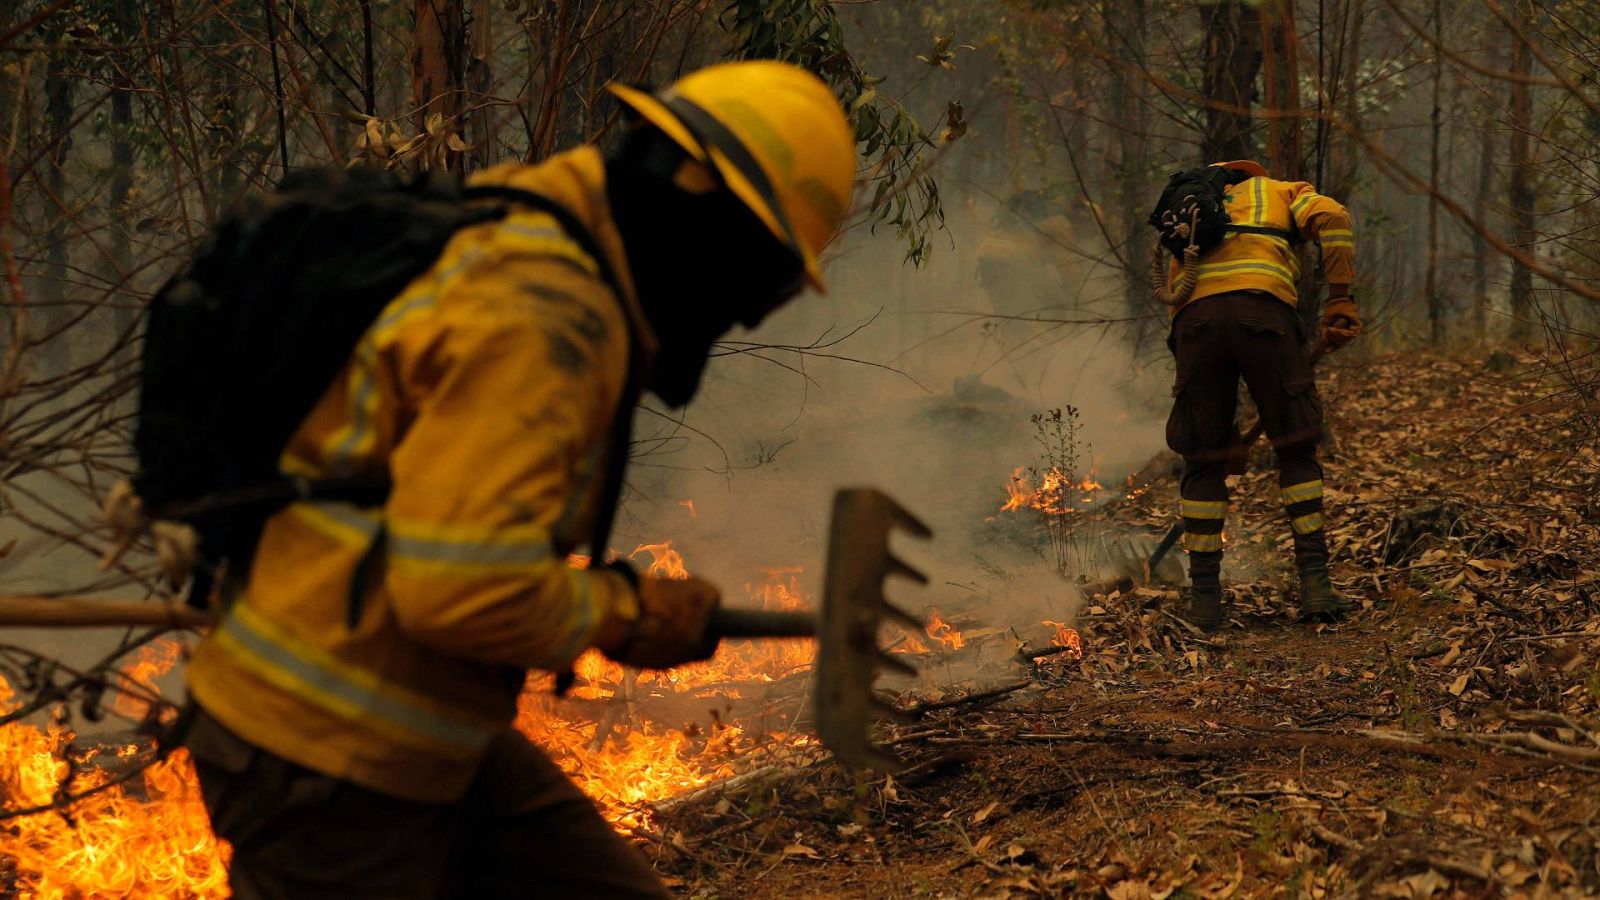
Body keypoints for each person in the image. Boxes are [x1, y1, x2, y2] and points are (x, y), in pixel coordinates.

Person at [179, 60, 856, 899]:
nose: (750, 310)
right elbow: (455, 591)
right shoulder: (543, 315)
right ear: (710, 220)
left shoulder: (542, 229)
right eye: (767, 278)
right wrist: (624, 612)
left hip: (424, 727)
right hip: (326, 755)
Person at [1157, 159, 1361, 631]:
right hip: (1264, 316)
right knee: (1295, 446)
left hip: (1196, 326)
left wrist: (1219, 436)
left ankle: (1205, 601)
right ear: (1252, 174)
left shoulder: (1186, 210)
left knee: (1203, 460)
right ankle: (1315, 584)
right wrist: (1340, 298)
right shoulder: (1281, 191)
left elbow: (1176, 292)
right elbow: (1333, 218)